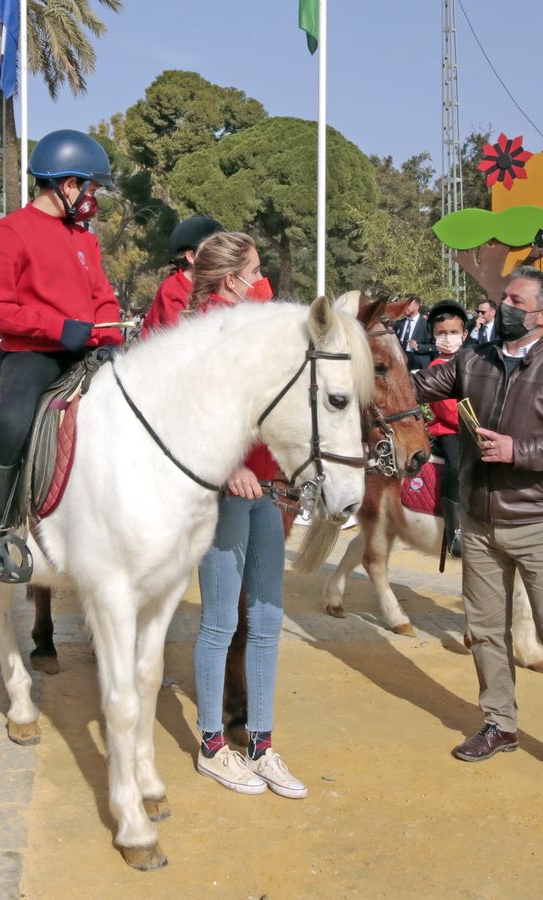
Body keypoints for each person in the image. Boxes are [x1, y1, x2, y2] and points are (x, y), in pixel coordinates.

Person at [412, 265, 543, 798]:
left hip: (538, 524)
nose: (502, 307)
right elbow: (417, 387)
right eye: (501, 299)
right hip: (478, 522)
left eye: (514, 300)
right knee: (485, 630)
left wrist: (520, 453)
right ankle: (500, 723)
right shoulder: (473, 358)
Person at [181, 231, 306, 800]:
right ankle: (212, 745)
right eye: (255, 271)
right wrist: (230, 464)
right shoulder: (207, 330)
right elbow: (195, 411)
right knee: (220, 623)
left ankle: (260, 742)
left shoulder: (254, 325)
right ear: (231, 280)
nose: (264, 281)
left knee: (267, 620)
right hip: (225, 490)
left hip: (268, 486)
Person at [0, 129, 123, 582]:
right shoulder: (9, 232)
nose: (94, 198)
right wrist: (59, 329)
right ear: (67, 184)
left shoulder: (85, 239)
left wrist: (110, 332)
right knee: (14, 422)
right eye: (91, 188)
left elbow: (103, 296)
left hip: (87, 352)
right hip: (33, 355)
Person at [425, 300, 469, 556]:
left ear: (465, 334)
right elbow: (448, 411)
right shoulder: (435, 369)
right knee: (457, 465)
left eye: (453, 332)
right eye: (442, 333)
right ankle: (455, 531)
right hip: (451, 430)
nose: (448, 337)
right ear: (433, 335)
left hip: (479, 426)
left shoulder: (473, 362)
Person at [141, 215, 222, 335]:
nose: (223, 258)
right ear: (192, 257)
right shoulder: (172, 289)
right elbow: (180, 337)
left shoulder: (216, 285)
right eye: (216, 252)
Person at [393, 294, 432, 371]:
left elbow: (435, 347)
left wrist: (418, 347)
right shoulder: (398, 324)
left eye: (408, 304)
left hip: (419, 367)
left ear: (417, 306)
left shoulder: (427, 324)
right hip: (401, 364)